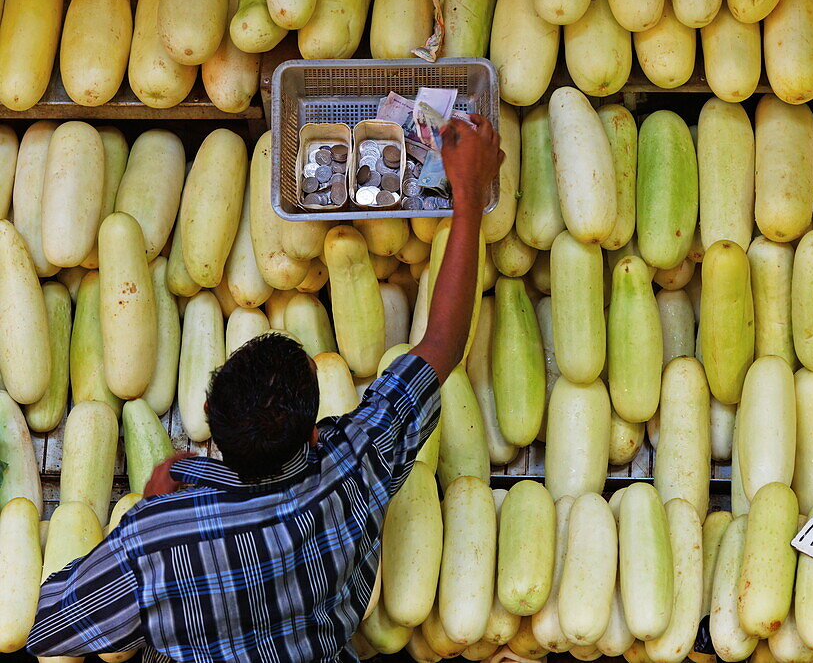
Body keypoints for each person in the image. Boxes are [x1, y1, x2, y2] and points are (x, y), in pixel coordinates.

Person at [26, 114, 502, 663]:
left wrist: (149, 511)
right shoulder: (351, 470)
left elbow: (44, 625)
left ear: (207, 414)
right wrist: (466, 203)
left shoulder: (151, 545)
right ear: (316, 421)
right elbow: (440, 343)